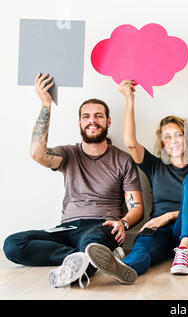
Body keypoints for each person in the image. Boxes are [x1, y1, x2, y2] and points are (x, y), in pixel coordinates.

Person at [3, 73, 144, 288]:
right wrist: (46, 103)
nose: (92, 121)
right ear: (79, 123)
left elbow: (137, 206)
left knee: (91, 244)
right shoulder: (68, 154)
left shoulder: (122, 160)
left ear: (108, 122)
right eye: (86, 117)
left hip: (102, 225)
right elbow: (36, 153)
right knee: (13, 244)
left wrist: (123, 223)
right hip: (66, 228)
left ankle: (87, 258)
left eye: (98, 116)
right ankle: (91, 259)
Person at [85, 79, 188, 284]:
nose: (173, 141)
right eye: (167, 137)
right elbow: (130, 142)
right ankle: (124, 267)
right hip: (159, 231)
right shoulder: (156, 166)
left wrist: (167, 217)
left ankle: (184, 252)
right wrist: (129, 99)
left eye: (178, 135)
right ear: (162, 143)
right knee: (142, 249)